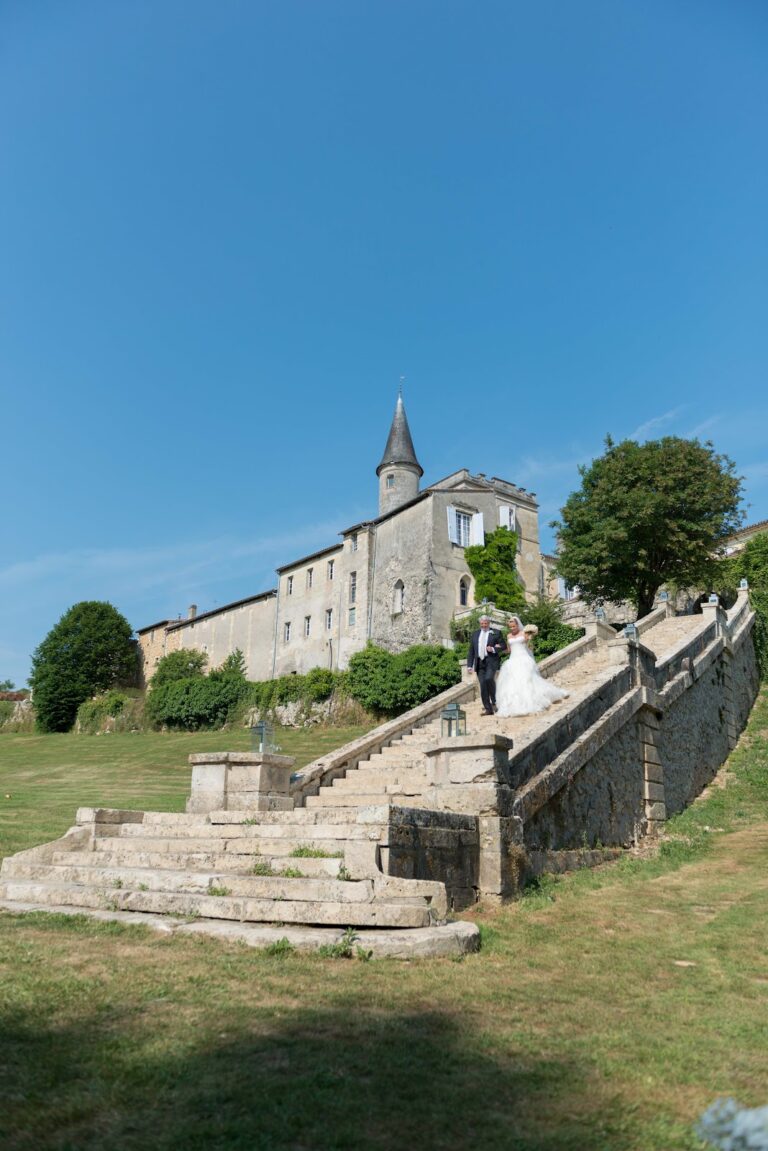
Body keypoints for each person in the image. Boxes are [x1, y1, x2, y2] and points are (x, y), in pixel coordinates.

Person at [496, 615, 569, 717]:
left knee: (527, 680)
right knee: (513, 682)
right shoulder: (508, 636)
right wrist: (499, 648)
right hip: (512, 660)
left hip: (524, 658)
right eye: (510, 627)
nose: (512, 628)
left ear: (517, 625)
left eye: (513, 626)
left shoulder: (524, 634)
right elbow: (509, 650)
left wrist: (530, 639)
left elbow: (530, 647)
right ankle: (515, 703)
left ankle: (531, 700)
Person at [467, 615, 507, 715]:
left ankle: (494, 700)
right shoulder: (475, 634)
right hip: (479, 663)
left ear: (489, 623)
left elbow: (503, 646)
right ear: (480, 624)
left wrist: (493, 649)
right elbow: (471, 650)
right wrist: (469, 665)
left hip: (491, 661)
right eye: (482, 624)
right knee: (483, 685)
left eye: (486, 623)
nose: (484, 625)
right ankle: (488, 709)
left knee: (489, 678)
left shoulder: (496, 633)